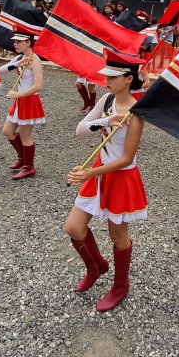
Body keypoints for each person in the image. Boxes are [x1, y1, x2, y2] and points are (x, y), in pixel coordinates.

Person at [66, 49, 148, 313]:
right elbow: (79, 130)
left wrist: (90, 173)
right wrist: (105, 120)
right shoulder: (107, 99)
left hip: (120, 178)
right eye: (106, 75)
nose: (106, 80)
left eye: (112, 76)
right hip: (99, 171)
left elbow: (126, 158)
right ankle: (97, 266)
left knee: (117, 235)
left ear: (128, 78)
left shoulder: (137, 112)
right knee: (73, 228)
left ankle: (121, 285)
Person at [2, 28, 46, 180]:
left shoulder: (35, 60)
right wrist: (17, 64)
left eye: (19, 41)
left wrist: (18, 94)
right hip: (19, 100)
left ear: (28, 42)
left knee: (25, 135)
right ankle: (22, 158)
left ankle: (29, 167)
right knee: (7, 131)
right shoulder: (20, 57)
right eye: (15, 41)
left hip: (29, 100)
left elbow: (39, 85)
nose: (15, 44)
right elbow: (1, 70)